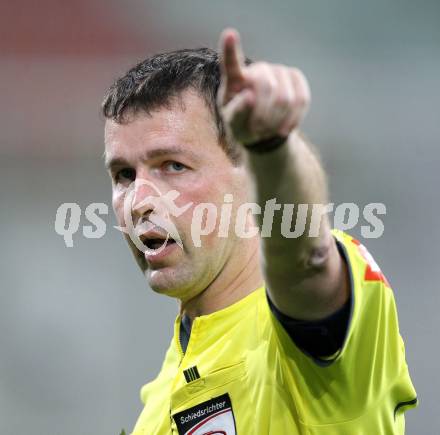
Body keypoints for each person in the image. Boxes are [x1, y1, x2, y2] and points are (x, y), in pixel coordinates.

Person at [102, 28, 417, 434]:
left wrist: (272, 148)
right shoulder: (161, 397)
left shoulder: (302, 342)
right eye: (124, 174)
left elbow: (307, 262)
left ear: (250, 176)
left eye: (173, 166)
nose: (137, 200)